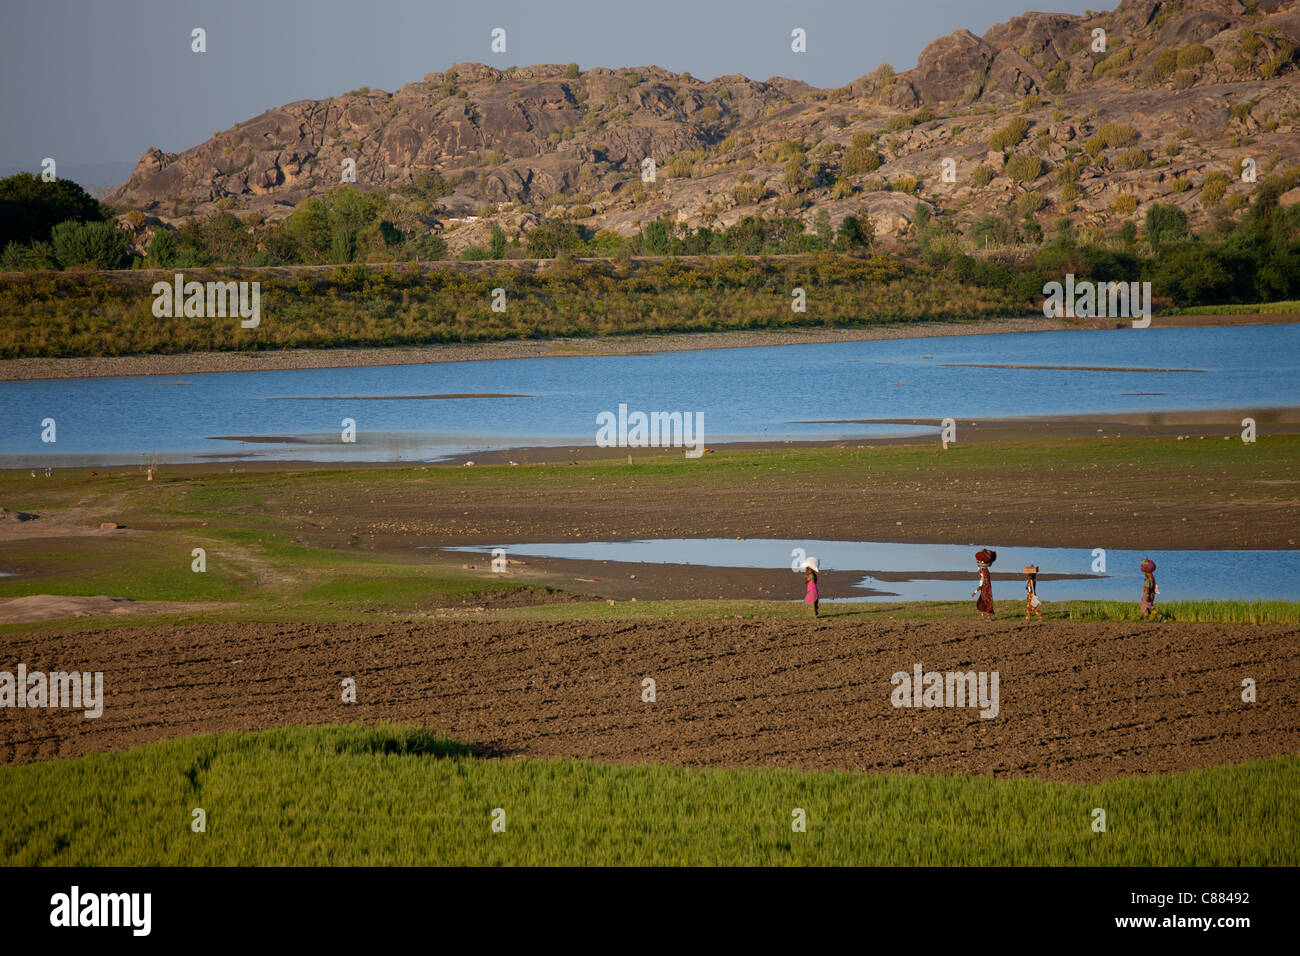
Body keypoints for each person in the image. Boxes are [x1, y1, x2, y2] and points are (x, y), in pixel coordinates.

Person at [973, 549, 996, 620]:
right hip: (988, 589)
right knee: (986, 602)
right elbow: (980, 572)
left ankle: (986, 616)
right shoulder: (986, 572)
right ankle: (986, 616)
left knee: (984, 602)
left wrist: (975, 592)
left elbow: (980, 584)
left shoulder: (984, 573)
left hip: (985, 590)